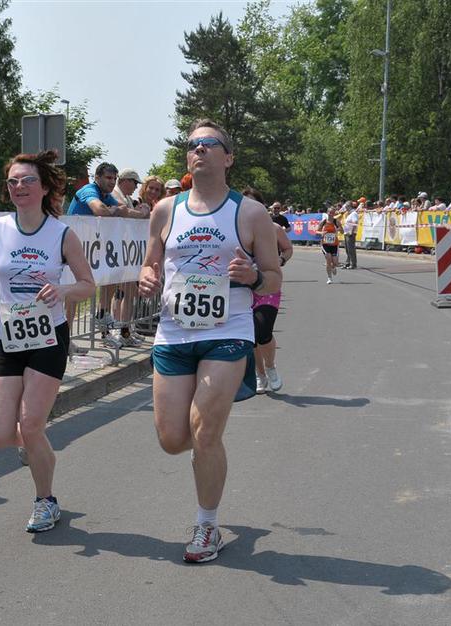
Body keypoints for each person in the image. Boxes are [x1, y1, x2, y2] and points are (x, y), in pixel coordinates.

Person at [138, 119, 281, 563]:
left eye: (209, 144)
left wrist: (253, 277)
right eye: (192, 144)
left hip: (227, 330)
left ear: (228, 157)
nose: (198, 149)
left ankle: (207, 526)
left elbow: (273, 276)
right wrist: (147, 277)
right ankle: (208, 453)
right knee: (171, 438)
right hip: (174, 331)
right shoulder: (165, 210)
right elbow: (150, 263)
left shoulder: (250, 214)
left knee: (204, 431)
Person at [0, 150, 95, 533]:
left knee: (31, 423)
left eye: (27, 180)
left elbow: (88, 284)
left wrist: (62, 290)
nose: (19, 187)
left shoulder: (62, 234)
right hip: (10, 336)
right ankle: (35, 444)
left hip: (48, 335)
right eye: (13, 181)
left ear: (43, 188)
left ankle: (46, 501)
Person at [67, 162, 124, 348]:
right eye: (108, 178)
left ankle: (103, 320)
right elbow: (99, 210)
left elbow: (125, 210)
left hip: (91, 250)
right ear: (97, 178)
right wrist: (114, 210)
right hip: (72, 250)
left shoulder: (106, 195)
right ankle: (64, 340)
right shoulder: (89, 190)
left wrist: (128, 211)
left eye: (114, 178)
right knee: (73, 295)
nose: (112, 182)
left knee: (113, 275)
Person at [109, 168, 148, 347]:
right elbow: (123, 212)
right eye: (134, 182)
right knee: (118, 292)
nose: (135, 187)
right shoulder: (116, 194)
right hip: (116, 251)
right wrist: (141, 214)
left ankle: (125, 329)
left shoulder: (126, 197)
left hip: (125, 251)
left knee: (127, 291)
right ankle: (117, 329)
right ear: (125, 180)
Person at [254, 215, 293, 393]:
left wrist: (281, 259)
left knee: (263, 331)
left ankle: (270, 367)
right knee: (251, 337)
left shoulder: (274, 228)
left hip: (268, 287)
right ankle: (259, 374)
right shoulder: (236, 226)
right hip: (243, 288)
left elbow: (288, 248)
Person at [316, 207, 342, 284]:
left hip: (334, 244)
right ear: (327, 213)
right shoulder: (323, 222)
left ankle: (333, 267)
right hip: (325, 244)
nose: (331, 214)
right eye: (330, 212)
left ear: (334, 213)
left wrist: (338, 229)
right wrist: (321, 233)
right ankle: (329, 278)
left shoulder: (336, 221)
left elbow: (342, 231)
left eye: (332, 213)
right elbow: (316, 231)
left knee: (335, 262)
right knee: (328, 260)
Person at [342, 201, 359, 269]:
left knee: (351, 249)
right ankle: (348, 263)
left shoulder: (354, 213)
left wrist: (351, 232)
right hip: (346, 233)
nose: (345, 208)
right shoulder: (349, 214)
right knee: (347, 249)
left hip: (350, 233)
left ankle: (353, 264)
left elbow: (355, 223)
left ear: (349, 206)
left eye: (346, 207)